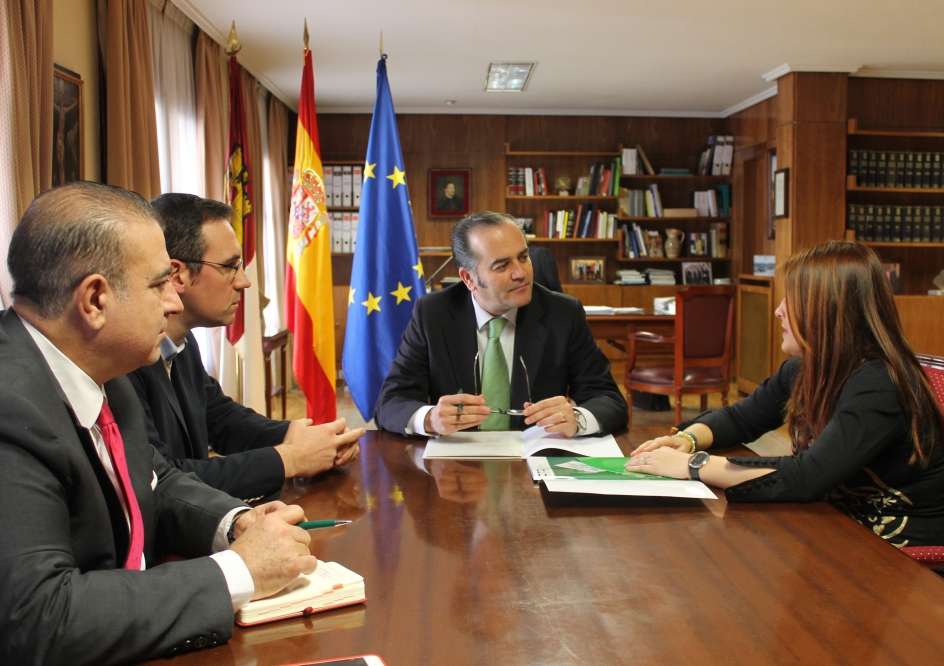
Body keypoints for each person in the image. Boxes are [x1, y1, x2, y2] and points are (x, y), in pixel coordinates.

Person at [0, 183, 317, 664]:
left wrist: (236, 523)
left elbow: (155, 481)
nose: (173, 302)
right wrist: (238, 571)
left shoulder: (104, 368)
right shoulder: (10, 408)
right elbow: (40, 618)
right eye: (158, 285)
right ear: (95, 300)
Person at [626, 241, 944, 550]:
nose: (778, 311)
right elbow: (740, 419)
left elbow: (808, 476)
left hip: (899, 562)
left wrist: (692, 465)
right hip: (834, 534)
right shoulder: (807, 367)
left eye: (792, 300)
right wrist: (687, 440)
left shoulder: (879, 384)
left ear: (829, 310)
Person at [128, 193, 363, 503]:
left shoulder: (183, 342)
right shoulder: (124, 360)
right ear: (177, 275)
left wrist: (296, 436)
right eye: (229, 267)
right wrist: (288, 459)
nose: (244, 281)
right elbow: (165, 480)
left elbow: (221, 419)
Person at [375, 211, 627, 437]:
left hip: (534, 457)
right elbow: (390, 403)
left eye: (524, 257)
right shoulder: (433, 314)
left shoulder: (563, 313)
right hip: (457, 462)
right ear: (469, 278)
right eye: (502, 266)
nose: (521, 273)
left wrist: (577, 419)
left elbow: (609, 399)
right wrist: (430, 419)